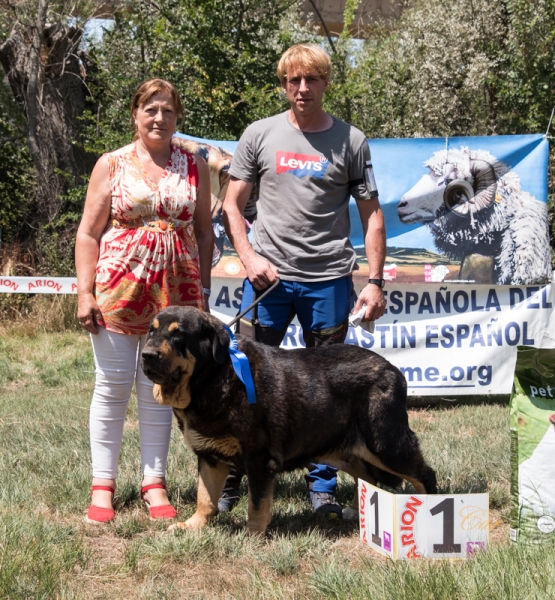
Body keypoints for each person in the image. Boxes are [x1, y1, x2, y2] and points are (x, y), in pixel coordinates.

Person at [221, 44, 387, 520]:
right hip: (268, 282)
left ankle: (323, 487)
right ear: (283, 84)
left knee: (327, 386)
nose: (302, 88)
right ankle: (234, 474)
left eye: (311, 79)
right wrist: (248, 257)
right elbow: (232, 206)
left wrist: (374, 281)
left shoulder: (352, 141)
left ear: (325, 82)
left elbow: (372, 215)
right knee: (243, 381)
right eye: (293, 80)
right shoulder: (259, 135)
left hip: (329, 281)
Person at [75, 79, 213, 523]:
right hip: (118, 291)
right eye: (151, 109)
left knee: (162, 391)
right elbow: (88, 233)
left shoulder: (195, 165)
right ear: (135, 114)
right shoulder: (111, 164)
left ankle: (154, 484)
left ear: (178, 117)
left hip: (178, 296)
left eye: (168, 110)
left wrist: (203, 293)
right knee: (112, 388)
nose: (159, 118)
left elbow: (207, 233)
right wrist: (84, 291)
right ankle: (103, 486)